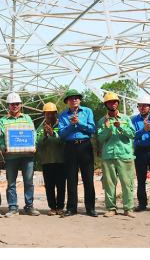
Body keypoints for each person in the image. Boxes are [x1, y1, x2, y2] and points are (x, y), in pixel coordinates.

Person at [58, 88, 97, 217]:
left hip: (85, 146)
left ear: (79, 100)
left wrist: (78, 123)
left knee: (88, 178)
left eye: (76, 97)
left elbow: (92, 129)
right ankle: (71, 208)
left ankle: (90, 208)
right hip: (70, 147)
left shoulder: (87, 111)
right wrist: (71, 125)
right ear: (67, 101)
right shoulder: (63, 115)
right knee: (71, 178)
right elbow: (62, 134)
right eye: (71, 98)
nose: (74, 100)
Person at [0, 92, 39, 216]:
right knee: (11, 183)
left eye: (17, 104)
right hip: (11, 157)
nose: (14, 106)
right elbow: (1, 137)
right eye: (12, 104)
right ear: (8, 106)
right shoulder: (3, 121)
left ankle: (29, 206)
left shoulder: (27, 118)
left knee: (28, 182)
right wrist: (3, 147)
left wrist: (34, 145)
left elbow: (33, 134)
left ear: (21, 105)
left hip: (28, 156)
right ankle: (12, 207)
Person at [97, 92, 136, 217]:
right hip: (108, 156)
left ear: (118, 103)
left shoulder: (126, 119)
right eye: (109, 102)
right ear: (106, 104)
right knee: (109, 184)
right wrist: (108, 128)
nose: (113, 104)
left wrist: (121, 128)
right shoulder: (102, 121)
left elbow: (132, 134)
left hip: (124, 154)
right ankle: (111, 208)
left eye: (115, 102)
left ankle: (128, 208)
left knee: (127, 182)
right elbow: (100, 138)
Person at [36, 102, 65, 215]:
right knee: (49, 186)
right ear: (44, 114)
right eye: (47, 114)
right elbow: (38, 143)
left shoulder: (61, 125)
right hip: (47, 161)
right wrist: (44, 135)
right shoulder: (40, 128)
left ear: (56, 114)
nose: (50, 116)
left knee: (61, 185)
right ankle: (52, 207)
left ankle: (60, 207)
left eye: (52, 114)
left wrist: (53, 134)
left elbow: (63, 141)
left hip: (61, 160)